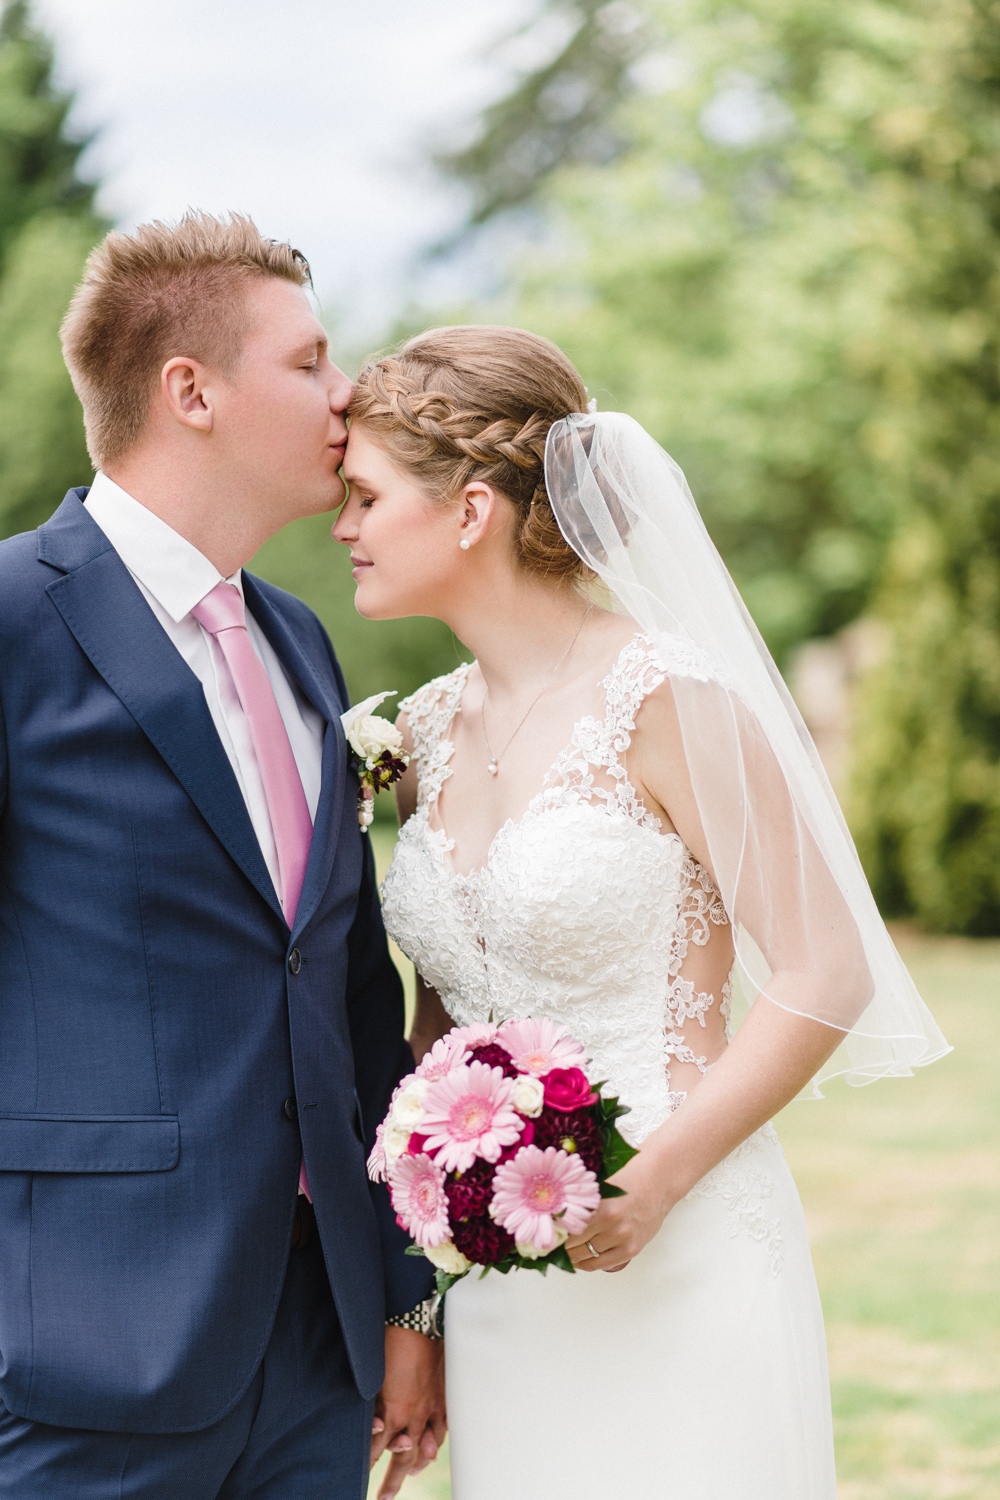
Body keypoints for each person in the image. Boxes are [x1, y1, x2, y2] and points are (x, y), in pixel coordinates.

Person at [333, 324, 949, 1500]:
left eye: (363, 496)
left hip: (683, 1236)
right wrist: (418, 1310)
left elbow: (824, 971)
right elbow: (434, 1042)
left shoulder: (667, 695)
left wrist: (653, 1181)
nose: (342, 526)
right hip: (510, 1282)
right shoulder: (421, 733)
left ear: (470, 512)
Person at [0, 212, 445, 1500]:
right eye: (308, 362)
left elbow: (344, 982)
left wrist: (401, 1305)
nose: (347, 391)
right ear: (188, 390)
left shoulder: (301, 639)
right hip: (76, 1350)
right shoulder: (17, 618)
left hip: (313, 1354)